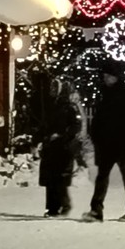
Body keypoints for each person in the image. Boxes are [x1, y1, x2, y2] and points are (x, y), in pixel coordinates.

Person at [83, 64, 125, 222]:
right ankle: (96, 210)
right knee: (103, 177)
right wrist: (96, 135)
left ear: (116, 77)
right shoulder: (107, 94)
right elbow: (100, 118)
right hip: (106, 143)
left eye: (108, 76)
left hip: (121, 142)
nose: (105, 79)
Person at [35, 75, 85, 217]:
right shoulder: (51, 106)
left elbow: (76, 125)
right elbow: (44, 125)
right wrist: (39, 138)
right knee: (51, 179)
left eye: (55, 87)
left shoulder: (69, 107)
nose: (52, 90)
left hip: (62, 148)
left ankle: (59, 206)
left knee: (59, 179)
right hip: (50, 147)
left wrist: (62, 135)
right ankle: (52, 208)